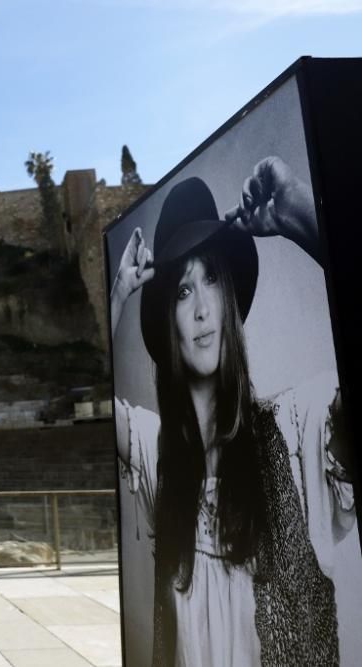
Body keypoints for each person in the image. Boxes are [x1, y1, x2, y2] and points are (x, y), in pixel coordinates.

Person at [110, 157, 356, 665]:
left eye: (212, 281)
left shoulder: (299, 430)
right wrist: (116, 297)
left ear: (231, 298)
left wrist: (300, 216)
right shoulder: (157, 455)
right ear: (169, 323)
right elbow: (93, 413)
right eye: (182, 290)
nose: (201, 308)